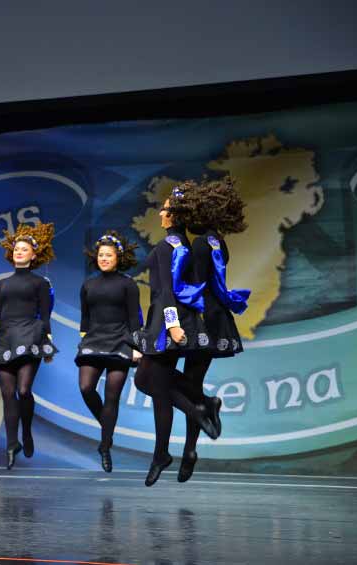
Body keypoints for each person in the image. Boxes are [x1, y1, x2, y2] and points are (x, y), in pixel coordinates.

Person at [133, 182, 220, 486]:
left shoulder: (166, 246)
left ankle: (191, 418)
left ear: (175, 215)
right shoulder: (189, 244)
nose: (160, 213)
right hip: (183, 319)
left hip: (168, 320)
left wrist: (171, 323)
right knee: (148, 381)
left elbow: (165, 290)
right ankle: (201, 406)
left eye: (165, 208)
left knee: (153, 384)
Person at [175, 176, 249, 482]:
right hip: (216, 314)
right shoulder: (218, 240)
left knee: (184, 383)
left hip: (202, 314)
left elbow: (195, 285)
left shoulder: (199, 244)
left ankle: (207, 406)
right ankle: (190, 449)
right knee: (192, 382)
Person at [0, 222, 57, 469]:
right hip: (6, 338)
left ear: (33, 255)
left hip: (30, 336)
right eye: (16, 249)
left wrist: (47, 341)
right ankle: (11, 443)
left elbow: (45, 315)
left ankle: (26, 431)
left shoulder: (40, 283)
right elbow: (0, 315)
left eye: (24, 249)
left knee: (24, 390)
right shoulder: (2, 284)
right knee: (8, 393)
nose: (19, 252)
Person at [76, 231, 142, 472]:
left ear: (118, 258)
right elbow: (85, 317)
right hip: (94, 339)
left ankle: (105, 446)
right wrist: (83, 339)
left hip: (120, 341)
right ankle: (107, 427)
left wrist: (137, 347)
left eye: (109, 255)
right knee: (86, 388)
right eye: (101, 255)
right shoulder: (88, 285)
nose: (104, 258)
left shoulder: (128, 284)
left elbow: (134, 318)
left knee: (112, 397)